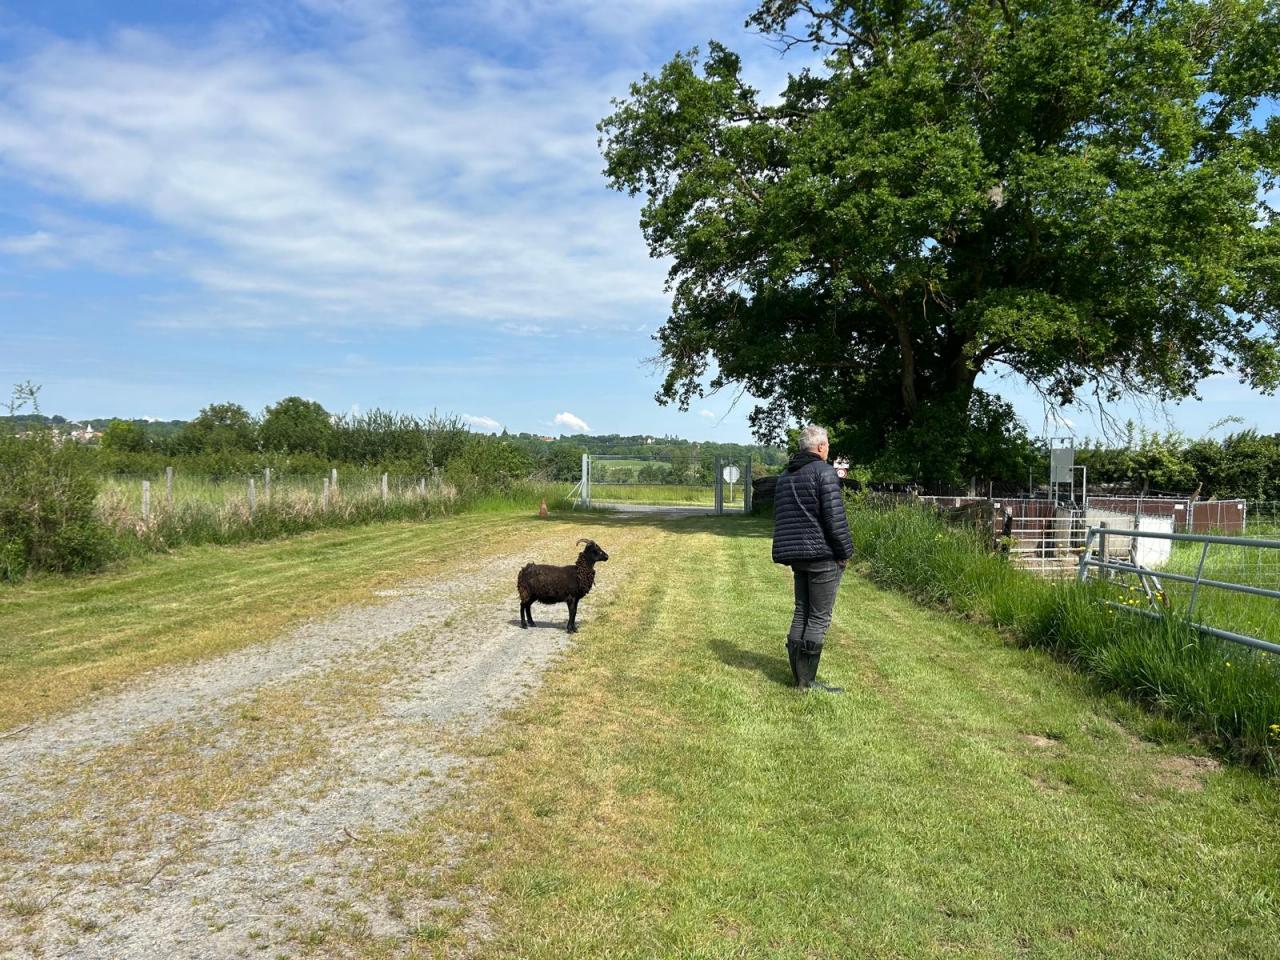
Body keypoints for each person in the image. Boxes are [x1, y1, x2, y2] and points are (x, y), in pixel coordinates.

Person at [771, 424, 854, 693]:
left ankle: (798, 677)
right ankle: (807, 682)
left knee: (801, 612)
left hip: (797, 555)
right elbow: (834, 519)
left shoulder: (786, 475)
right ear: (820, 447)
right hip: (821, 556)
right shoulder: (825, 473)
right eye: (827, 443)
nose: (828, 448)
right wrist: (845, 552)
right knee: (818, 617)